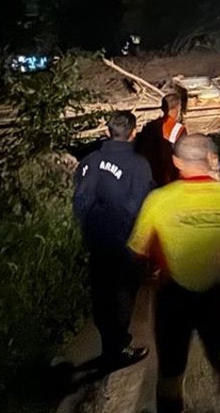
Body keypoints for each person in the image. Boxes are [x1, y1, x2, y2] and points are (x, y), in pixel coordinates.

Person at [128, 134, 220, 413]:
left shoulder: (158, 200)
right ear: (210, 159)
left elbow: (138, 252)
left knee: (171, 368)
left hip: (171, 295)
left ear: (177, 162)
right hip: (215, 290)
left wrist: (148, 280)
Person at [73, 111, 154, 368]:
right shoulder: (138, 164)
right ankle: (116, 349)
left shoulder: (88, 161)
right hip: (125, 243)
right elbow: (142, 205)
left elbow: (80, 200)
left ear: (109, 131)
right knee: (121, 297)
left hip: (97, 241)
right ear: (133, 131)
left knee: (101, 293)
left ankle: (110, 342)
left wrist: (89, 229)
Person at [137, 92, 186, 186]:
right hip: (169, 176)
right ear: (178, 108)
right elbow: (182, 155)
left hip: (150, 173)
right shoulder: (178, 130)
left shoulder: (150, 126)